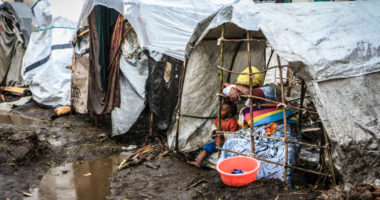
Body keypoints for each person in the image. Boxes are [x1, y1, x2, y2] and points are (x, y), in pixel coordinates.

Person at [188, 101, 239, 167]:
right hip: (217, 142)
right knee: (206, 148)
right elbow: (213, 125)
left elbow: (234, 135)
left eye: (222, 110)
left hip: (226, 144)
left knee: (226, 153)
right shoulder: (218, 119)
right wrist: (215, 131)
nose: (219, 111)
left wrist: (223, 134)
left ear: (229, 114)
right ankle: (198, 162)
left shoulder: (232, 122)